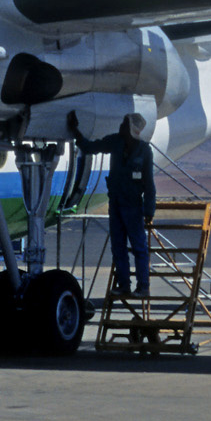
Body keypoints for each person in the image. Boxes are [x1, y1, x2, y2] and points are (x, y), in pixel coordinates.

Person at [68, 111, 157, 298]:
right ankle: (124, 284)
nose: (121, 127)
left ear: (132, 129)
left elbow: (149, 184)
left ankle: (143, 287)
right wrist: (75, 131)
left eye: (124, 124)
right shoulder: (115, 142)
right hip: (116, 204)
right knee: (118, 246)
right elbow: (90, 147)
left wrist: (149, 211)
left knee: (139, 248)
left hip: (133, 206)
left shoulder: (144, 151)